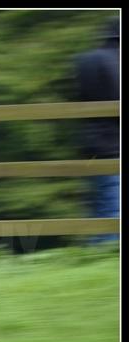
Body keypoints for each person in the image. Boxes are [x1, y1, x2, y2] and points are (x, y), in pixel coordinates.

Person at [74, 17, 119, 243]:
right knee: (113, 209)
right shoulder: (116, 61)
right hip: (115, 145)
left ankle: (96, 255)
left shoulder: (86, 60)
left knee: (99, 207)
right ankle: (110, 256)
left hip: (90, 143)